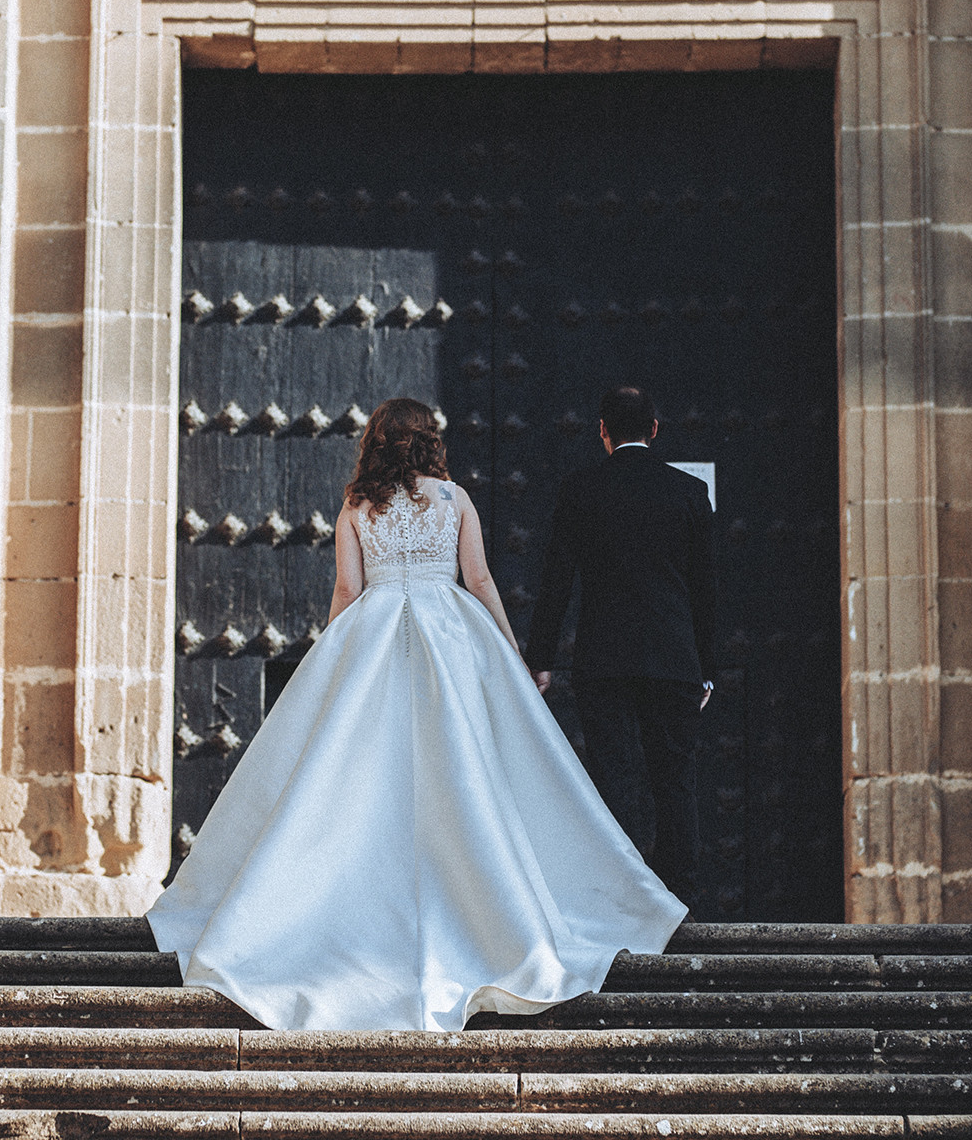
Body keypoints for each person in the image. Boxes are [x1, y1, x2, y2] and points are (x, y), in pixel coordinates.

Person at [147, 397, 685, 1032]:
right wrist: (511, 652)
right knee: (462, 768)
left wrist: (330, 664)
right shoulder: (454, 499)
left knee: (358, 773)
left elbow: (347, 590)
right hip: (450, 634)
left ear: (375, 441)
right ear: (430, 440)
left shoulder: (357, 504)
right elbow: (479, 580)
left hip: (373, 629)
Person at [525, 386, 717, 907]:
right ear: (654, 429)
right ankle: (680, 902)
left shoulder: (581, 490)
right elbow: (706, 590)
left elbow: (556, 583)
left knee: (613, 781)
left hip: (603, 661)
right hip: (674, 662)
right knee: (674, 782)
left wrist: (540, 659)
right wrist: (708, 668)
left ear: (602, 431)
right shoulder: (688, 493)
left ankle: (623, 903)